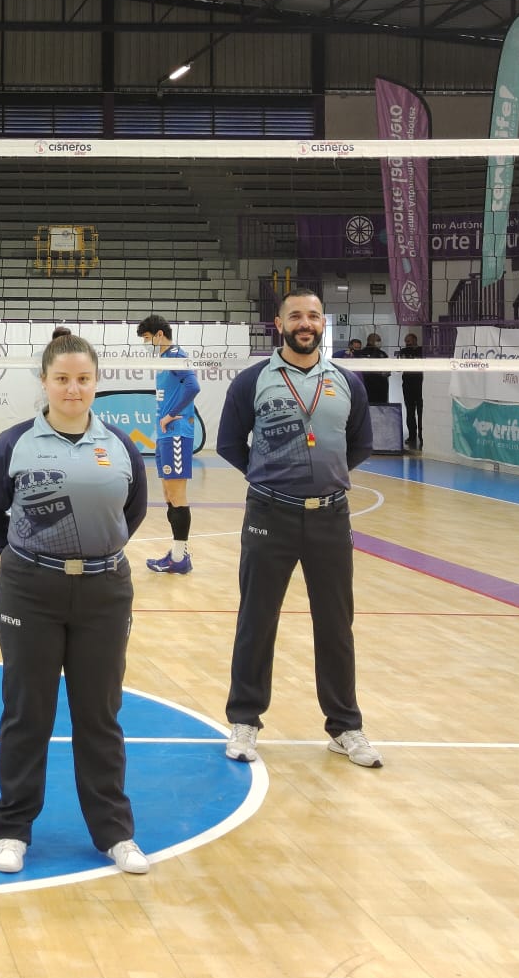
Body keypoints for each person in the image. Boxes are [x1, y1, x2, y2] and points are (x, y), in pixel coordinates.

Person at [0, 332, 150, 877]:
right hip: (30, 590)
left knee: (100, 714)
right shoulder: (14, 443)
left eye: (83, 379)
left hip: (104, 592)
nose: (73, 389)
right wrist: (26, 558)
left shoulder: (120, 445)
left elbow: (133, 511)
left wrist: (93, 554)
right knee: (28, 712)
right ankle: (12, 828)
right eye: (63, 379)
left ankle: (115, 832)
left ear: (96, 383)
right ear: (45, 382)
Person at [216, 288, 382, 770]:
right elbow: (229, 443)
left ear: (322, 323)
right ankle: (244, 720)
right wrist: (270, 476)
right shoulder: (252, 381)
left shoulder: (347, 381)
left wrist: (323, 477)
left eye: (313, 316)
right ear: (279, 323)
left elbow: (360, 444)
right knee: (256, 620)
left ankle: (345, 727)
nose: (304, 323)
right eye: (295, 316)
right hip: (269, 515)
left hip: (330, 516)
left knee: (336, 624)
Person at [136, 314, 201, 575]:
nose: (145, 344)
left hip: (177, 433)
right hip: (166, 434)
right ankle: (176, 554)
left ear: (159, 335)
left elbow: (193, 386)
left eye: (147, 338)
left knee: (177, 495)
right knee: (168, 495)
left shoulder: (176, 355)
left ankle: (179, 558)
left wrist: (172, 413)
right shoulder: (164, 359)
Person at [397, 333, 425, 448]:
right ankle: (412, 436)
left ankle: (422, 435)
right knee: (410, 411)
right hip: (407, 384)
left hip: (419, 384)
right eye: (406, 341)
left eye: (408, 341)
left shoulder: (422, 351)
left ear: (415, 340)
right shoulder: (403, 351)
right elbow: (398, 368)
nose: (407, 343)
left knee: (421, 411)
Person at [357, 331, 391, 406]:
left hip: (380, 388)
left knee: (380, 407)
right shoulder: (361, 353)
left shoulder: (382, 354)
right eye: (378, 340)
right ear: (370, 341)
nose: (380, 342)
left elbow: (388, 371)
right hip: (367, 386)